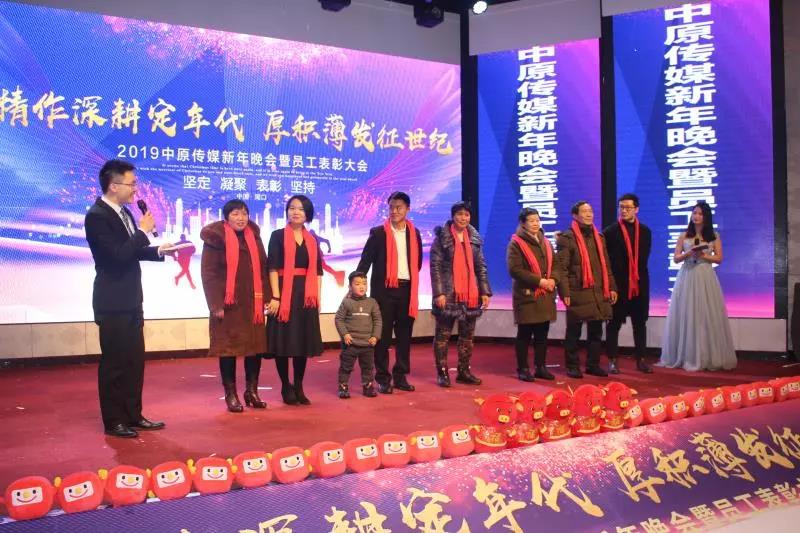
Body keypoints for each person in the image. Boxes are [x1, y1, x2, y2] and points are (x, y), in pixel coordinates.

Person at [84, 159, 172, 438]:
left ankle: (133, 415)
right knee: (115, 363)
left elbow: (133, 250)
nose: (136, 189)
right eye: (131, 183)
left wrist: (160, 250)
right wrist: (143, 232)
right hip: (112, 302)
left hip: (132, 299)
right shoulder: (97, 216)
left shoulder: (125, 213)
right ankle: (114, 421)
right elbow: (117, 256)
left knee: (134, 361)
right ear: (113, 185)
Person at [200, 200, 270, 412]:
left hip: (252, 304)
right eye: (235, 214)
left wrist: (267, 297)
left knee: (254, 349)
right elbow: (209, 274)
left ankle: (251, 391)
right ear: (226, 217)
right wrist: (215, 304)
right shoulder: (215, 239)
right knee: (228, 350)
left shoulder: (254, 237)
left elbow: (263, 268)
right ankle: (231, 394)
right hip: (227, 305)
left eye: (244, 213)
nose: (241, 218)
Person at [356, 191, 423, 394]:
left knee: (404, 336)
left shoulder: (414, 233)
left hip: (407, 291)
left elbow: (418, 263)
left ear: (407, 209)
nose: (394, 211)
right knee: (382, 336)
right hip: (384, 291)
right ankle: (383, 378)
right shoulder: (378, 233)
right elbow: (365, 262)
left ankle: (400, 376)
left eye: (399, 207)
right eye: (391, 207)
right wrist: (357, 284)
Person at [659, 202, 737, 371]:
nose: (696, 216)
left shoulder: (714, 235)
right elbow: (676, 258)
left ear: (706, 217)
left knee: (706, 313)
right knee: (686, 313)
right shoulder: (684, 235)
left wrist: (703, 255)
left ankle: (707, 356)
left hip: (705, 275)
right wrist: (689, 253)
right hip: (687, 275)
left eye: (700, 214)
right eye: (694, 213)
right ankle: (685, 356)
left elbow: (719, 258)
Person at [265, 195, 324, 405]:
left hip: (305, 297)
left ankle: (298, 385)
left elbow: (317, 271)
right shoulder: (277, 236)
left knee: (302, 343)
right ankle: (285, 386)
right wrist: (276, 296)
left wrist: (317, 297)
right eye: (291, 208)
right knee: (282, 343)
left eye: (300, 209)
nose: (295, 212)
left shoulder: (312, 240)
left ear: (307, 214)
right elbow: (272, 268)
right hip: (283, 294)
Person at [430, 201, 491, 387]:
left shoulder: (474, 238)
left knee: (467, 337)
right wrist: (439, 293)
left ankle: (464, 371)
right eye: (459, 214)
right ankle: (442, 373)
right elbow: (435, 267)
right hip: (448, 294)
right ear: (453, 216)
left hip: (471, 295)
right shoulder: (442, 238)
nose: (463, 218)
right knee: (443, 336)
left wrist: (485, 291)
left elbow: (480, 266)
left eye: (466, 215)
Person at [556, 201, 618, 379]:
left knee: (596, 331)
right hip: (577, 290)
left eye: (590, 211)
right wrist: (565, 292)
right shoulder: (567, 238)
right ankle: (572, 365)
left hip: (598, 290)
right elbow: (561, 268)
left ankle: (593, 365)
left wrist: (612, 287)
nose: (589, 214)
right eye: (584, 211)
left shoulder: (599, 237)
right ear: (575, 215)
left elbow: (606, 265)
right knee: (574, 331)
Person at [506, 207, 559, 382]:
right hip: (527, 295)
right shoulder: (516, 243)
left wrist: (553, 279)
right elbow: (515, 270)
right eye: (531, 221)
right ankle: (523, 368)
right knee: (525, 335)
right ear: (523, 223)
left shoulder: (545, 241)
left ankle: (540, 367)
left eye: (537, 220)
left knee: (542, 334)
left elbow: (556, 265)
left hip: (546, 294)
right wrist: (539, 281)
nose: (536, 223)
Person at [603, 193, 653, 374]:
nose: (624, 211)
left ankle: (641, 359)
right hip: (618, 285)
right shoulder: (610, 232)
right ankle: (612, 360)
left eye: (628, 208)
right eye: (621, 207)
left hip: (639, 284)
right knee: (613, 323)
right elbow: (607, 261)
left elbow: (643, 258)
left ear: (636, 209)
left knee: (640, 323)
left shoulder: (646, 232)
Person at [334, 271, 382, 399]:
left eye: (364, 283)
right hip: (350, 344)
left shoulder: (372, 302)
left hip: (367, 344)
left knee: (368, 367)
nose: (362, 286)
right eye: (357, 284)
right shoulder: (346, 302)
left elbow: (378, 320)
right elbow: (339, 319)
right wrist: (345, 334)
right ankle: (343, 387)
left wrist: (375, 336)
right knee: (346, 367)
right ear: (350, 287)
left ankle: (368, 387)